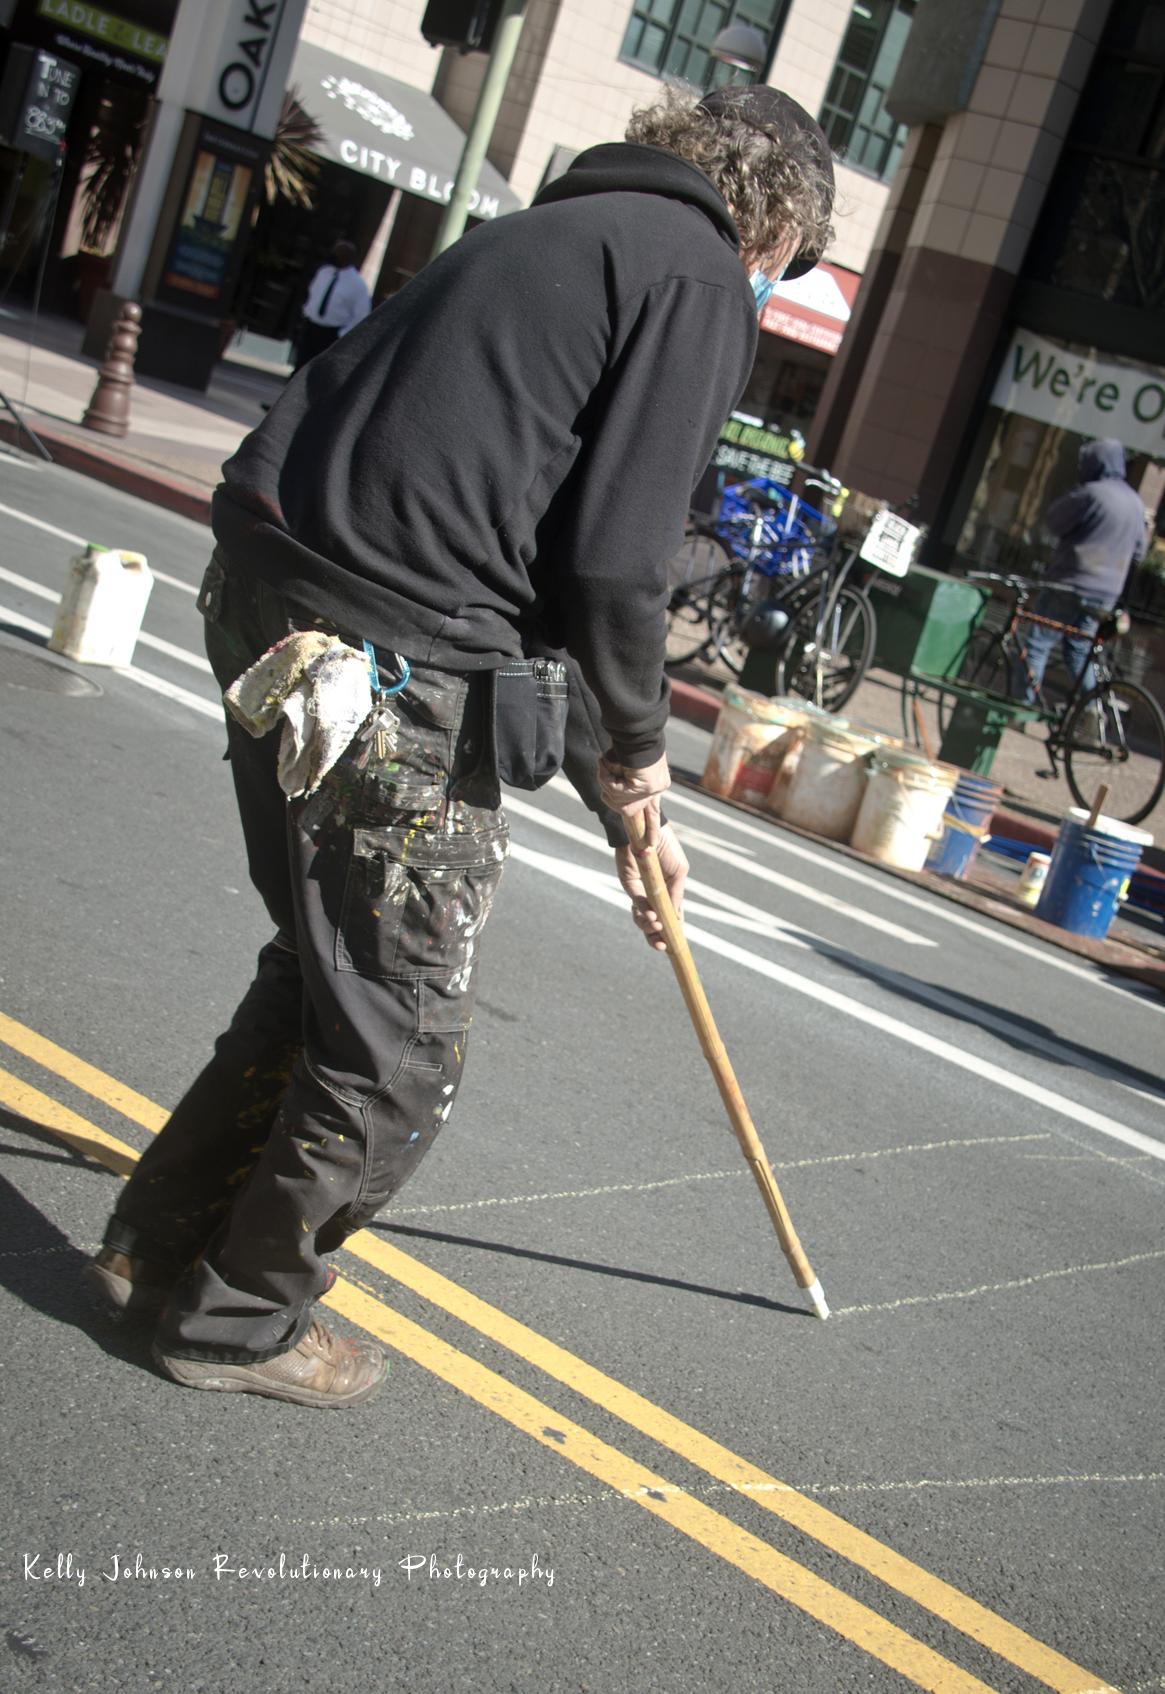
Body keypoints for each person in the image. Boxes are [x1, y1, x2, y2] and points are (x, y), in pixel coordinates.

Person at [84, 84, 835, 1408]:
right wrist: (646, 756)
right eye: (791, 264)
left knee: (325, 976)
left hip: (267, 595)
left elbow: (542, 536)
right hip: (382, 647)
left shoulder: (545, 234)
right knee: (399, 1043)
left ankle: (156, 1250)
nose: (773, 285)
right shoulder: (698, 272)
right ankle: (237, 1319)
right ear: (775, 221)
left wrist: (623, 810)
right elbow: (617, 561)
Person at [1015, 438, 1148, 704]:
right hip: (1106, 594)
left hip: (1071, 583)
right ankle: (1090, 711)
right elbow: (1139, 552)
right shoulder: (1135, 503)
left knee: (1039, 643)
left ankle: (1021, 704)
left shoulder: (1091, 494)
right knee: (1078, 649)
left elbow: (1053, 521)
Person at [293, 239, 372, 370]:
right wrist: (307, 311)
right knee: (301, 364)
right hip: (312, 326)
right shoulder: (324, 272)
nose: (333, 256)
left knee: (321, 369)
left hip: (332, 332)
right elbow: (313, 292)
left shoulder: (358, 285)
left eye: (337, 254)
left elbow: (362, 314)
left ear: (347, 257)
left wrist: (343, 334)